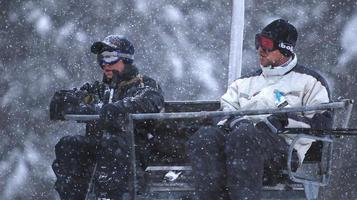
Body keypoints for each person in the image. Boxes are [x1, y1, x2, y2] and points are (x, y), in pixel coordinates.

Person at [188, 19, 333, 200]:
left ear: (284, 50)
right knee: (206, 137)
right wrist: (237, 121)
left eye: (266, 45)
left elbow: (321, 123)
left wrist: (283, 121)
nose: (260, 49)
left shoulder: (309, 82)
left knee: (245, 137)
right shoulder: (245, 83)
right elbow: (224, 111)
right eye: (258, 42)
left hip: (282, 152)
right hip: (238, 146)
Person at [50, 35, 165, 200]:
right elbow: (69, 100)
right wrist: (70, 102)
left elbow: (149, 100)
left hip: (135, 152)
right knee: (69, 144)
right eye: (101, 59)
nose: (105, 64)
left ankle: (110, 196)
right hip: (100, 148)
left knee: (113, 145)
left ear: (125, 58)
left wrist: (114, 110)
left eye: (110, 57)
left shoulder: (143, 85)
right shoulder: (99, 89)